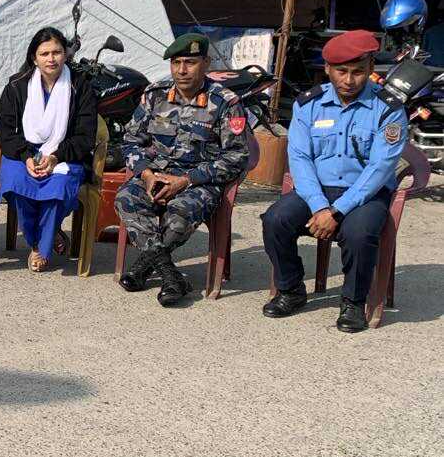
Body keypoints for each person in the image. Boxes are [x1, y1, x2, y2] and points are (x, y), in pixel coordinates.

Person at [262, 29, 407, 334]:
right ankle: (291, 289)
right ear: (327, 69)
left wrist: (337, 211)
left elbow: (380, 168)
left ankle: (353, 302)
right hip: (316, 190)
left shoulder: (389, 108)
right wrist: (319, 206)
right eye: (341, 71)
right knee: (275, 219)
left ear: (370, 68)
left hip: (365, 193)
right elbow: (300, 158)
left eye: (358, 71)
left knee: (359, 233)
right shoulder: (307, 104)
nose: (349, 80)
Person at [116, 31, 249, 306]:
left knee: (178, 216)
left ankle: (146, 268)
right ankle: (172, 277)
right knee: (126, 199)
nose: (182, 70)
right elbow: (130, 140)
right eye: (176, 63)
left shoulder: (225, 103)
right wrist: (146, 174)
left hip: (199, 182)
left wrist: (186, 180)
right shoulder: (155, 95)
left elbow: (237, 157)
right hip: (155, 175)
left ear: (206, 63)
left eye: (190, 62)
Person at [0, 25, 98, 272]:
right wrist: (27, 157)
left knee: (58, 187)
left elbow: (85, 136)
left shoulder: (80, 86)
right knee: (16, 183)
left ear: (65, 55)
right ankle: (40, 238)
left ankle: (40, 246)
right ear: (34, 58)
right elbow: (5, 130)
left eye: (57, 52)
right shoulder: (17, 85)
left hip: (64, 154)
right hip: (23, 153)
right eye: (44, 53)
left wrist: (55, 157)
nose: (51, 59)